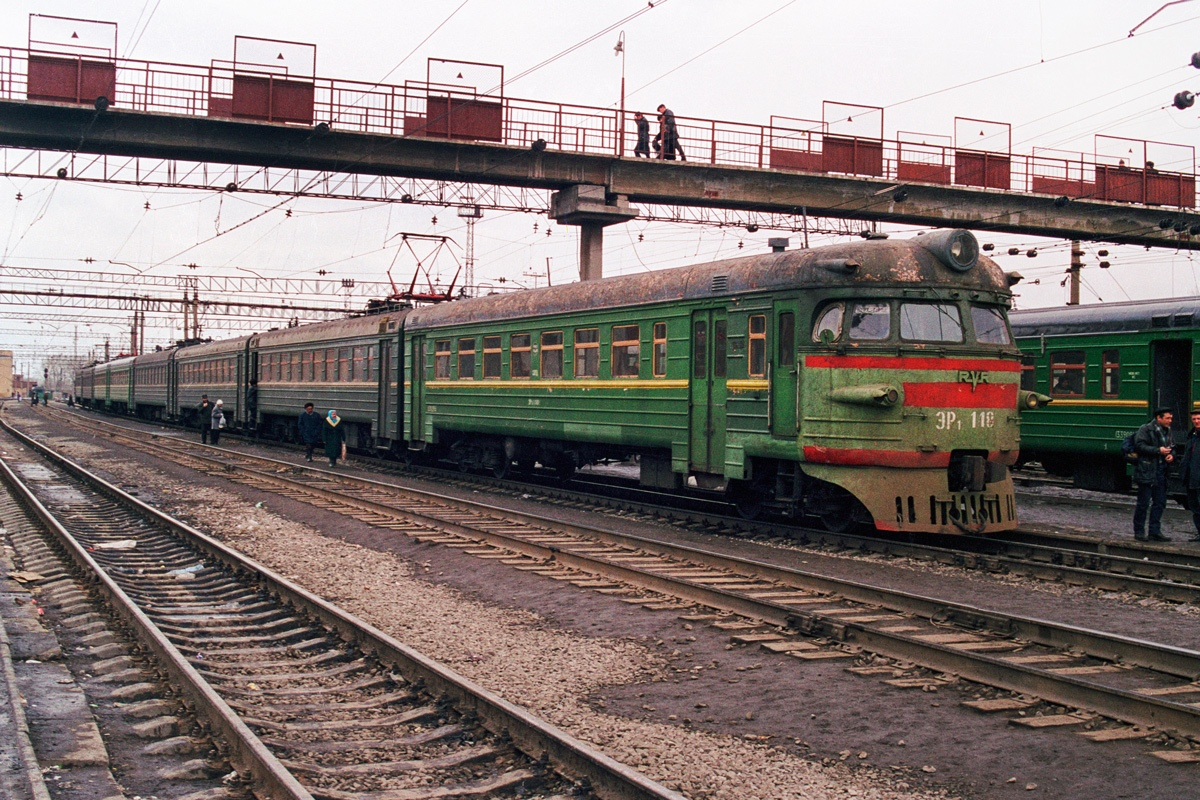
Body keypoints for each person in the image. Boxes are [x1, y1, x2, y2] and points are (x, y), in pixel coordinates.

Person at [1133, 407, 1175, 542]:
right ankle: (1139, 531)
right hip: (1147, 471)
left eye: (1171, 418)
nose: (1170, 421)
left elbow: (1172, 447)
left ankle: (1154, 531)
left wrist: (1171, 455)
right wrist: (1158, 450)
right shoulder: (1145, 429)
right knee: (1143, 503)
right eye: (1168, 418)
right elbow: (1139, 446)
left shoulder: (1167, 431)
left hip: (1161, 471)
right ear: (1159, 418)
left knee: (1160, 503)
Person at [1181, 410, 1200, 543]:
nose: (1196, 421)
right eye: (1194, 419)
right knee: (1195, 508)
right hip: (1191, 478)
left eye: (1198, 419)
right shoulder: (1192, 436)